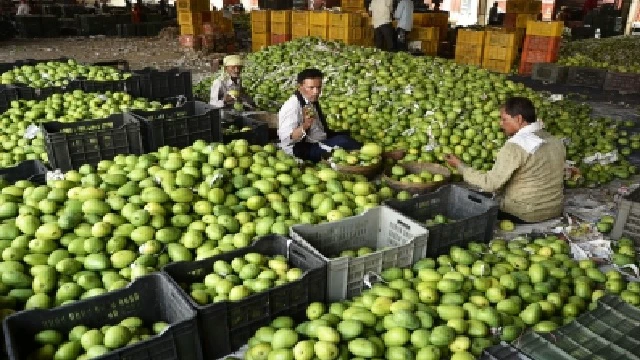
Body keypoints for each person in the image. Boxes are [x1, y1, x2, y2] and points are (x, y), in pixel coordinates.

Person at [444, 97, 566, 224]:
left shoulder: (515, 146)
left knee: (466, 201)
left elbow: (490, 184)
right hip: (554, 209)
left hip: (525, 213)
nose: (500, 123)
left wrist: (460, 167)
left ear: (518, 119)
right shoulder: (555, 141)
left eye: (504, 119)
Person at [278, 69, 362, 163]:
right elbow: (286, 139)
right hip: (301, 149)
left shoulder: (309, 100)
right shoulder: (292, 107)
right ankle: (366, 153)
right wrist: (306, 125)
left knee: (347, 134)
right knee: (344, 141)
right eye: (311, 87)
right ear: (300, 87)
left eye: (319, 87)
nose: (316, 92)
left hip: (318, 139)